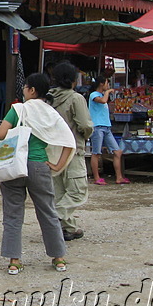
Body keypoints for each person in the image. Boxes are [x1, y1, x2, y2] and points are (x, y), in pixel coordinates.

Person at [0, 72, 75, 275]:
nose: (23, 91)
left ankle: (14, 260)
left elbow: (1, 134)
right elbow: (68, 140)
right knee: (48, 212)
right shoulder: (51, 113)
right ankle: (58, 258)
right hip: (39, 165)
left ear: (32, 90)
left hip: (15, 165)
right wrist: (57, 166)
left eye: (25, 87)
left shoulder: (18, 110)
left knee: (13, 213)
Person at [49, 62, 94, 241]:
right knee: (77, 190)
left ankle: (69, 228)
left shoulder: (48, 98)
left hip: (53, 150)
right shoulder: (75, 98)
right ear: (74, 80)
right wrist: (86, 134)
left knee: (59, 191)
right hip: (73, 149)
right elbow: (85, 124)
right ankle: (56, 217)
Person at [88, 74, 128, 185]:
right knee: (96, 152)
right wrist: (107, 92)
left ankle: (119, 177)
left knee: (117, 151)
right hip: (97, 127)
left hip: (106, 127)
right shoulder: (94, 95)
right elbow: (103, 101)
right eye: (107, 83)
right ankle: (97, 178)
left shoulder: (101, 95)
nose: (108, 85)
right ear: (102, 84)